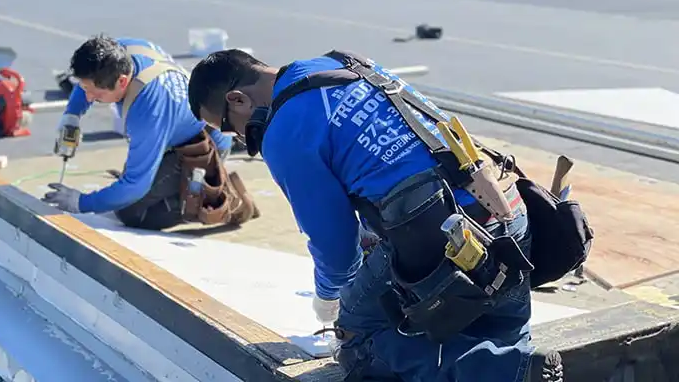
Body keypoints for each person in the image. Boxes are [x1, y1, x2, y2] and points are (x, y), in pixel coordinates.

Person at [187, 49, 564, 382]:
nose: (237, 139)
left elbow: (336, 248)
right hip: (508, 214)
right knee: (500, 332)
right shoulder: (344, 64)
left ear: (237, 100)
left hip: (448, 240)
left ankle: (508, 372)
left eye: (226, 127)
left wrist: (328, 300)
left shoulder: (284, 131)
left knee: (359, 336)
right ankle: (521, 366)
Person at [42, 35, 259, 230]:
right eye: (85, 89)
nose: (88, 97)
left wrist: (81, 202)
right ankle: (184, 182)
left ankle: (225, 200)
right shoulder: (120, 53)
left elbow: (135, 186)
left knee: (131, 212)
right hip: (176, 130)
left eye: (94, 93)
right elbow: (87, 81)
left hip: (202, 145)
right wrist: (72, 114)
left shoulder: (148, 111)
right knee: (127, 188)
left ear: (122, 82)